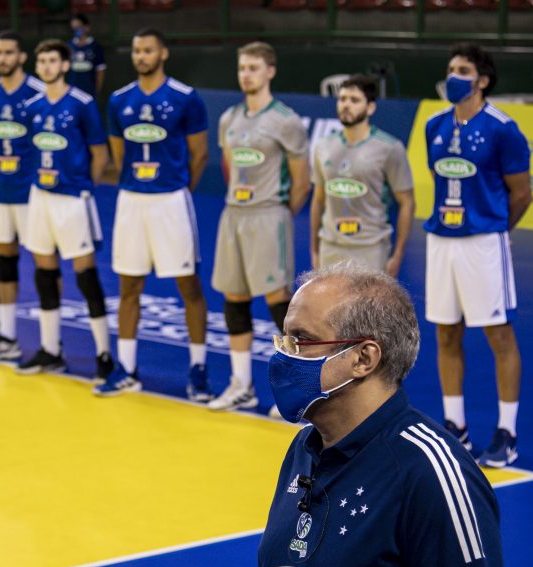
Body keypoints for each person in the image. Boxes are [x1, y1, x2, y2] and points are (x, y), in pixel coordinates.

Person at [258, 262, 504, 567]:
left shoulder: (430, 471)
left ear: (363, 358)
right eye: (284, 339)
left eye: (301, 340)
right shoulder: (306, 448)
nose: (284, 355)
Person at [426, 43, 532, 468]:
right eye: (451, 67)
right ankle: (456, 426)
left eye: (463, 69)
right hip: (440, 241)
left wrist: (495, 229)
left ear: (482, 80)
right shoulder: (434, 123)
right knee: (446, 334)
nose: (453, 75)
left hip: (484, 243)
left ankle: (507, 432)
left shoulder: (503, 129)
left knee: (499, 335)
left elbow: (521, 194)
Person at [95, 29, 212, 400]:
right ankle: (126, 368)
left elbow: (200, 155)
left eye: (147, 50)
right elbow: (118, 157)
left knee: (189, 287)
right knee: (128, 287)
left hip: (170, 201)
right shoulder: (118, 100)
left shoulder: (184, 98)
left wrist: (178, 191)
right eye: (136, 51)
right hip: (131, 200)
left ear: (162, 53)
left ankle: (198, 371)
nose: (141, 56)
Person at [207, 42, 310, 412]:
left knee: (278, 302)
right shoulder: (229, 119)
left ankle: (298, 393)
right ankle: (241, 385)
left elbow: (302, 180)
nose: (246, 74)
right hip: (233, 214)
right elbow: (228, 168)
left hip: (269, 215)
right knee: (233, 298)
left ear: (270, 71)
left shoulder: (285, 120)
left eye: (253, 67)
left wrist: (280, 214)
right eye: (242, 67)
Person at [14, 39, 113, 379]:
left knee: (85, 276)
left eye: (52, 60)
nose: (46, 66)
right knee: (44, 274)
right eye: (41, 61)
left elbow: (101, 154)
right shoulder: (32, 107)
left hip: (73, 198)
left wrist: (86, 188)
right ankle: (50, 349)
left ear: (65, 65)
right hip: (40, 197)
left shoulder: (83, 104)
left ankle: (104, 355)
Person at [0, 31, 44, 362]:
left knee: (45, 263)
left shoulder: (37, 93)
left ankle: (49, 342)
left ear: (21, 57)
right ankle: (6, 335)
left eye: (8, 53)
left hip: (31, 192)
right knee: (4, 259)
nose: (2, 58)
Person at [310, 74, 414, 276]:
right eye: (342, 99)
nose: (346, 105)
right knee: (330, 308)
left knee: (367, 309)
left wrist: (398, 254)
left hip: (371, 248)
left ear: (371, 107)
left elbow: (407, 202)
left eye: (354, 100)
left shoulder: (389, 148)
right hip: (330, 247)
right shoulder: (323, 147)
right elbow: (318, 200)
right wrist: (315, 249)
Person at [67, 13, 105, 99]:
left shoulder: (95, 46)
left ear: (86, 27)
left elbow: (100, 71)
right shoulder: (68, 46)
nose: (76, 30)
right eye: (74, 28)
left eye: (78, 27)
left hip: (89, 91)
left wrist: (96, 91)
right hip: (72, 92)